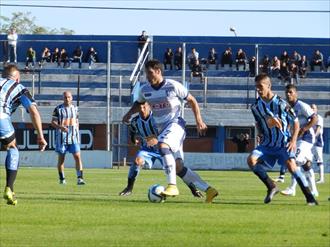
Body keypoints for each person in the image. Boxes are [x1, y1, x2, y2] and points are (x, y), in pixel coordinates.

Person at [122, 59, 218, 203]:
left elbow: (192, 100)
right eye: (146, 74)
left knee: (162, 146)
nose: (147, 76)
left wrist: (199, 120)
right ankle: (209, 190)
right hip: (163, 130)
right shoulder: (145, 90)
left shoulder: (173, 85)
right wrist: (129, 113)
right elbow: (139, 103)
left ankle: (172, 186)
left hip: (176, 125)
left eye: (150, 73)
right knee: (179, 167)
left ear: (158, 71)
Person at [119, 102, 215, 199]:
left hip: (163, 148)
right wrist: (133, 139)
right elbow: (132, 131)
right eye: (140, 107)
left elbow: (168, 131)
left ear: (149, 106)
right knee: (137, 161)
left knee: (177, 168)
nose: (142, 109)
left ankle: (193, 189)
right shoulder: (135, 121)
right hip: (147, 150)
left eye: (144, 107)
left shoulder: (158, 119)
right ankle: (129, 188)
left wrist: (156, 139)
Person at [247, 74, 317, 205]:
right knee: (251, 160)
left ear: (269, 86)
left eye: (260, 87)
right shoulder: (255, 106)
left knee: (292, 166)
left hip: (283, 143)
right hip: (267, 144)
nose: (258, 90)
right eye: (256, 87)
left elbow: (295, 122)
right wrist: (260, 134)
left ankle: (309, 197)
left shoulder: (281, 104)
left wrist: (294, 140)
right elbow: (258, 123)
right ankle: (271, 186)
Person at [0, 65, 47, 205]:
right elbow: (33, 111)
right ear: (17, 78)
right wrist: (40, 136)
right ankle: (9, 188)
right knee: (13, 147)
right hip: (1, 117)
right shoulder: (19, 88)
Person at [281, 84, 319, 197]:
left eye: (291, 92)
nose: (288, 94)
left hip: (306, 137)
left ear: (296, 93)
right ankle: (314, 191)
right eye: (287, 93)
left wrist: (304, 128)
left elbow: (314, 118)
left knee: (294, 161)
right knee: (306, 165)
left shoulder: (302, 105)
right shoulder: (287, 108)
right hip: (297, 138)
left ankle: (292, 188)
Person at [51, 91, 85, 185]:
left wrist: (77, 131)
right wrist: (60, 127)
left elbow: (77, 121)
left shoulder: (75, 109)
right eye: (65, 97)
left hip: (74, 137)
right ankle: (62, 178)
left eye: (69, 97)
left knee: (77, 156)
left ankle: (80, 178)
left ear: (72, 98)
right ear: (63, 98)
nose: (67, 99)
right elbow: (53, 122)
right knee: (61, 159)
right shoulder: (58, 109)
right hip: (62, 138)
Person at [310, 104, 324, 184]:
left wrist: (314, 137)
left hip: (318, 141)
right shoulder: (309, 118)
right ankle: (310, 177)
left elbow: (318, 129)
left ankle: (321, 178)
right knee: (309, 159)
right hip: (309, 141)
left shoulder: (319, 118)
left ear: (316, 109)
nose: (312, 109)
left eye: (313, 108)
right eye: (311, 108)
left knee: (319, 159)